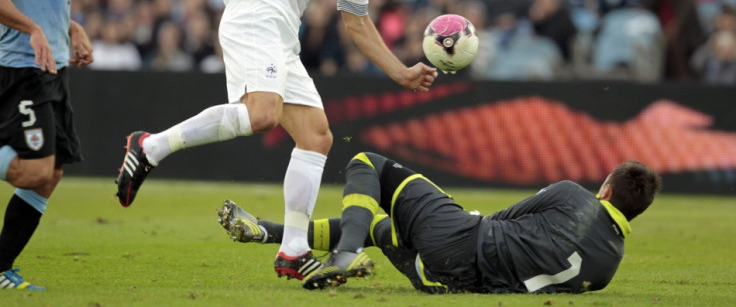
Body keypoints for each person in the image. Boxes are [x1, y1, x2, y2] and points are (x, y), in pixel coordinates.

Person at [115, 0, 438, 282]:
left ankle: (293, 251)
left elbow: (357, 22)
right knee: (262, 113)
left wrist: (400, 72)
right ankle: (150, 147)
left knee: (317, 137)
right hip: (255, 8)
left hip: (284, 31)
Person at [217, 151, 661, 293]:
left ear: (604, 189)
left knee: (368, 164)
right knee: (378, 225)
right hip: (450, 282)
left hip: (464, 239)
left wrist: (462, 223)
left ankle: (343, 254)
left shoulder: (572, 196)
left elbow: (501, 219)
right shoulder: (608, 269)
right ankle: (271, 233)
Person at [0, 0, 92, 290]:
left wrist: (71, 27)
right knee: (35, 170)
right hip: (22, 69)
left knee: (50, 174)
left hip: (51, 71)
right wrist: (33, 28)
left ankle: (1, 269)